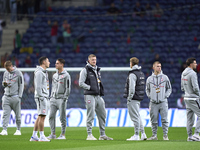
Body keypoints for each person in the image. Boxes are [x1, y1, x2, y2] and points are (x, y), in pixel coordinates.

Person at [79, 54, 113, 140]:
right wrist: (89, 88)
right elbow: (81, 83)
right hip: (89, 95)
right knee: (91, 115)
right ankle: (89, 135)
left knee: (102, 114)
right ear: (89, 60)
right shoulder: (85, 70)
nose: (94, 61)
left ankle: (102, 135)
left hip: (98, 96)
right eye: (92, 60)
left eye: (95, 59)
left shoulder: (97, 70)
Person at [146, 61, 172, 140]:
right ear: (153, 67)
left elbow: (169, 88)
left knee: (164, 119)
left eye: (160, 66)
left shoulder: (165, 77)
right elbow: (147, 89)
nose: (159, 68)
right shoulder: (149, 79)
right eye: (157, 66)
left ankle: (165, 135)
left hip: (163, 102)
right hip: (153, 103)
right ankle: (154, 135)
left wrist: (165, 96)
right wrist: (150, 96)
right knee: (153, 120)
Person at [124, 57, 147, 141]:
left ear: (131, 64)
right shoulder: (140, 73)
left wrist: (129, 98)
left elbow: (132, 88)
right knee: (138, 116)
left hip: (133, 98)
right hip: (138, 97)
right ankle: (143, 134)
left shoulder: (132, 74)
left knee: (134, 117)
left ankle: (136, 135)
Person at [48, 58, 71, 140]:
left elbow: (68, 88)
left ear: (62, 64)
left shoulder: (66, 75)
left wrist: (65, 98)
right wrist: (51, 97)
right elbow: (53, 87)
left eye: (57, 63)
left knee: (62, 117)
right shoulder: (54, 75)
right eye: (56, 63)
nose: (55, 64)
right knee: (51, 116)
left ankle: (63, 134)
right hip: (53, 98)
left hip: (61, 99)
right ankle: (53, 134)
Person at [0, 61, 24, 135]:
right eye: (6, 69)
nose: (8, 70)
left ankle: (18, 130)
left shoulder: (18, 73)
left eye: (8, 69)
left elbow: (21, 85)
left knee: (18, 115)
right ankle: (4, 130)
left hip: (15, 97)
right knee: (5, 114)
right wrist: (5, 84)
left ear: (11, 66)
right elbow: (3, 83)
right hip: (6, 96)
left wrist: (19, 96)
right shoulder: (5, 73)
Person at [30, 56, 50, 142]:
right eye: (48, 61)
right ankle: (42, 136)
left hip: (43, 96)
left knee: (40, 116)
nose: (49, 62)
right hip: (41, 97)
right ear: (43, 62)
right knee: (42, 117)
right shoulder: (39, 73)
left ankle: (34, 136)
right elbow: (37, 86)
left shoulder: (44, 72)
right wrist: (42, 97)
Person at [181, 57, 200, 141]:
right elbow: (195, 87)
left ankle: (190, 136)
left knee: (189, 118)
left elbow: (182, 87)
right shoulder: (193, 73)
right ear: (191, 64)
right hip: (193, 98)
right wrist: (199, 94)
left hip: (186, 97)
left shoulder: (183, 73)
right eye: (195, 63)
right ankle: (196, 134)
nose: (196, 64)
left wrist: (187, 91)